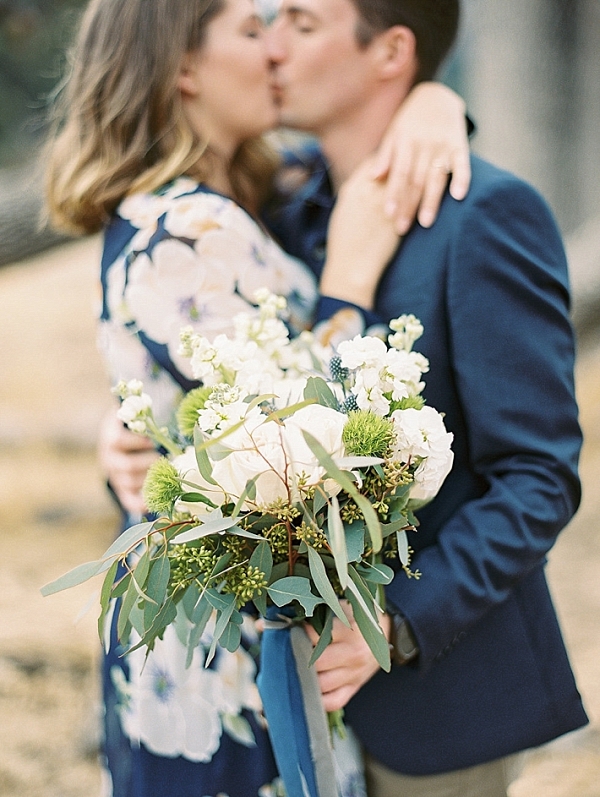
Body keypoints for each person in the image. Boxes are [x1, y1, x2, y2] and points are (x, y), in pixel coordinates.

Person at [45, 0, 472, 795]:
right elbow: (301, 440)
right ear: (182, 68)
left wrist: (434, 99)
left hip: (227, 614)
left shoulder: (236, 199)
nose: (276, 49)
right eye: (250, 31)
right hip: (227, 633)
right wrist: (348, 278)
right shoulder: (188, 230)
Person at [258, 0, 588, 795]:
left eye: (302, 25)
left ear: (390, 51)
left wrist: (394, 625)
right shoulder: (282, 213)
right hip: (279, 710)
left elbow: (539, 476)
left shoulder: (486, 218)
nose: (271, 47)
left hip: (436, 699)